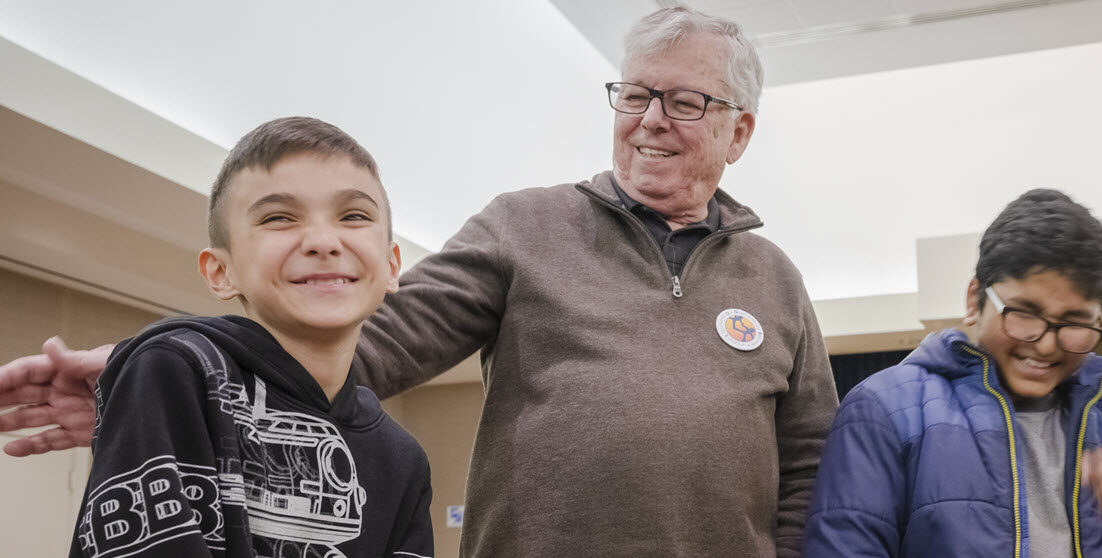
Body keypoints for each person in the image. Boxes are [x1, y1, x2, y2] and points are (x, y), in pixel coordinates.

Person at [0, 7, 836, 557]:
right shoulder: (526, 224)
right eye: (635, 95)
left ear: (740, 130)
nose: (650, 121)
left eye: (684, 102)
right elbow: (366, 342)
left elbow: (809, 464)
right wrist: (161, 379)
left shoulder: (775, 279)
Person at [67, 117, 433, 557]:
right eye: (279, 218)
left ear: (392, 266)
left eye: (354, 216)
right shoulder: (176, 370)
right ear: (222, 272)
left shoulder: (402, 457)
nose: (322, 241)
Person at [804, 189, 1102, 557]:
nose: (1046, 344)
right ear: (974, 298)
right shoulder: (885, 410)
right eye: (1024, 313)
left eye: (1073, 322)